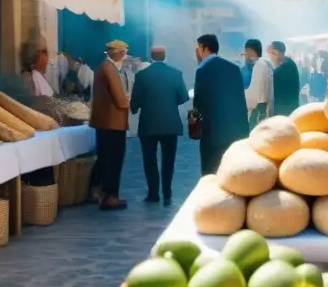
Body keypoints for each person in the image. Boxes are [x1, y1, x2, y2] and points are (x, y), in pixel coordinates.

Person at [130, 45, 188, 206]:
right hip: (171, 124)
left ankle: (153, 193)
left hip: (148, 125)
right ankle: (167, 193)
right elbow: (183, 97)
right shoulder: (176, 74)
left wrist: (136, 107)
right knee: (169, 160)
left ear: (151, 57)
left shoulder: (142, 76)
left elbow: (135, 103)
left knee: (150, 161)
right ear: (165, 56)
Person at [193, 34, 249, 175]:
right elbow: (240, 100)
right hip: (234, 131)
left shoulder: (202, 69)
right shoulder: (234, 68)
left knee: (210, 173)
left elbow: (199, 102)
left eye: (197, 48)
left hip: (211, 133)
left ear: (203, 48)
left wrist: (195, 130)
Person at [90, 40, 131, 211]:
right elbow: (121, 100)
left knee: (104, 158)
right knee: (114, 160)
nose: (126, 55)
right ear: (120, 53)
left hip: (103, 122)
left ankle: (96, 190)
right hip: (113, 123)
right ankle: (109, 196)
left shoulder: (102, 67)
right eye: (125, 52)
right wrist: (127, 100)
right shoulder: (110, 69)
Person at [244, 39, 274, 127]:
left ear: (249, 51)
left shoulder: (259, 65)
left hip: (258, 111)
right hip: (266, 108)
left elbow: (253, 95)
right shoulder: (267, 64)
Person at [268, 41, 300, 116]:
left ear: (277, 53)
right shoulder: (288, 61)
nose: (270, 57)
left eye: (272, 53)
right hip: (289, 108)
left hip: (285, 110)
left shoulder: (284, 68)